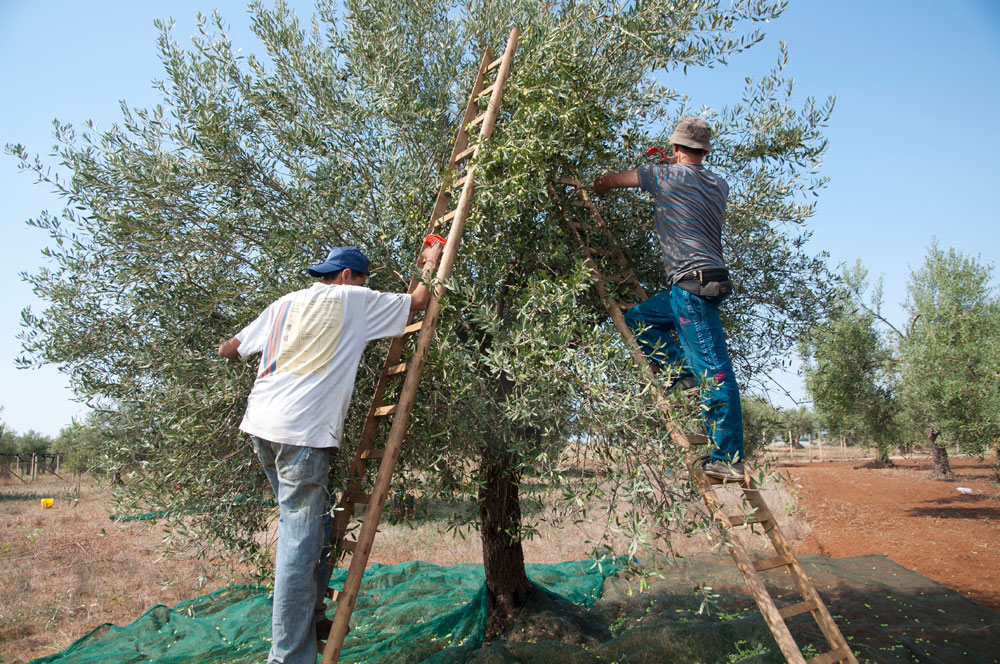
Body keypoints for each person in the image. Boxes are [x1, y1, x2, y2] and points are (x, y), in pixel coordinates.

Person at [218, 241, 443, 664]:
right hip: (302, 433)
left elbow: (231, 347)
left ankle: (313, 615)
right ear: (346, 277)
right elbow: (418, 301)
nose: (363, 287)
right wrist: (431, 261)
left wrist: (233, 347)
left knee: (314, 529)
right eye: (362, 279)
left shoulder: (284, 303)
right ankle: (286, 657)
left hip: (262, 428)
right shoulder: (351, 300)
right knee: (298, 547)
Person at [592, 117, 744, 481]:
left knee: (717, 371)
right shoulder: (719, 184)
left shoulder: (664, 176)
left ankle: (729, 457)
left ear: (676, 148)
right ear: (704, 150)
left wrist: (597, 185)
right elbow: (689, 183)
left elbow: (613, 181)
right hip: (697, 284)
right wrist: (669, 165)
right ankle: (683, 372)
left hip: (693, 287)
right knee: (639, 318)